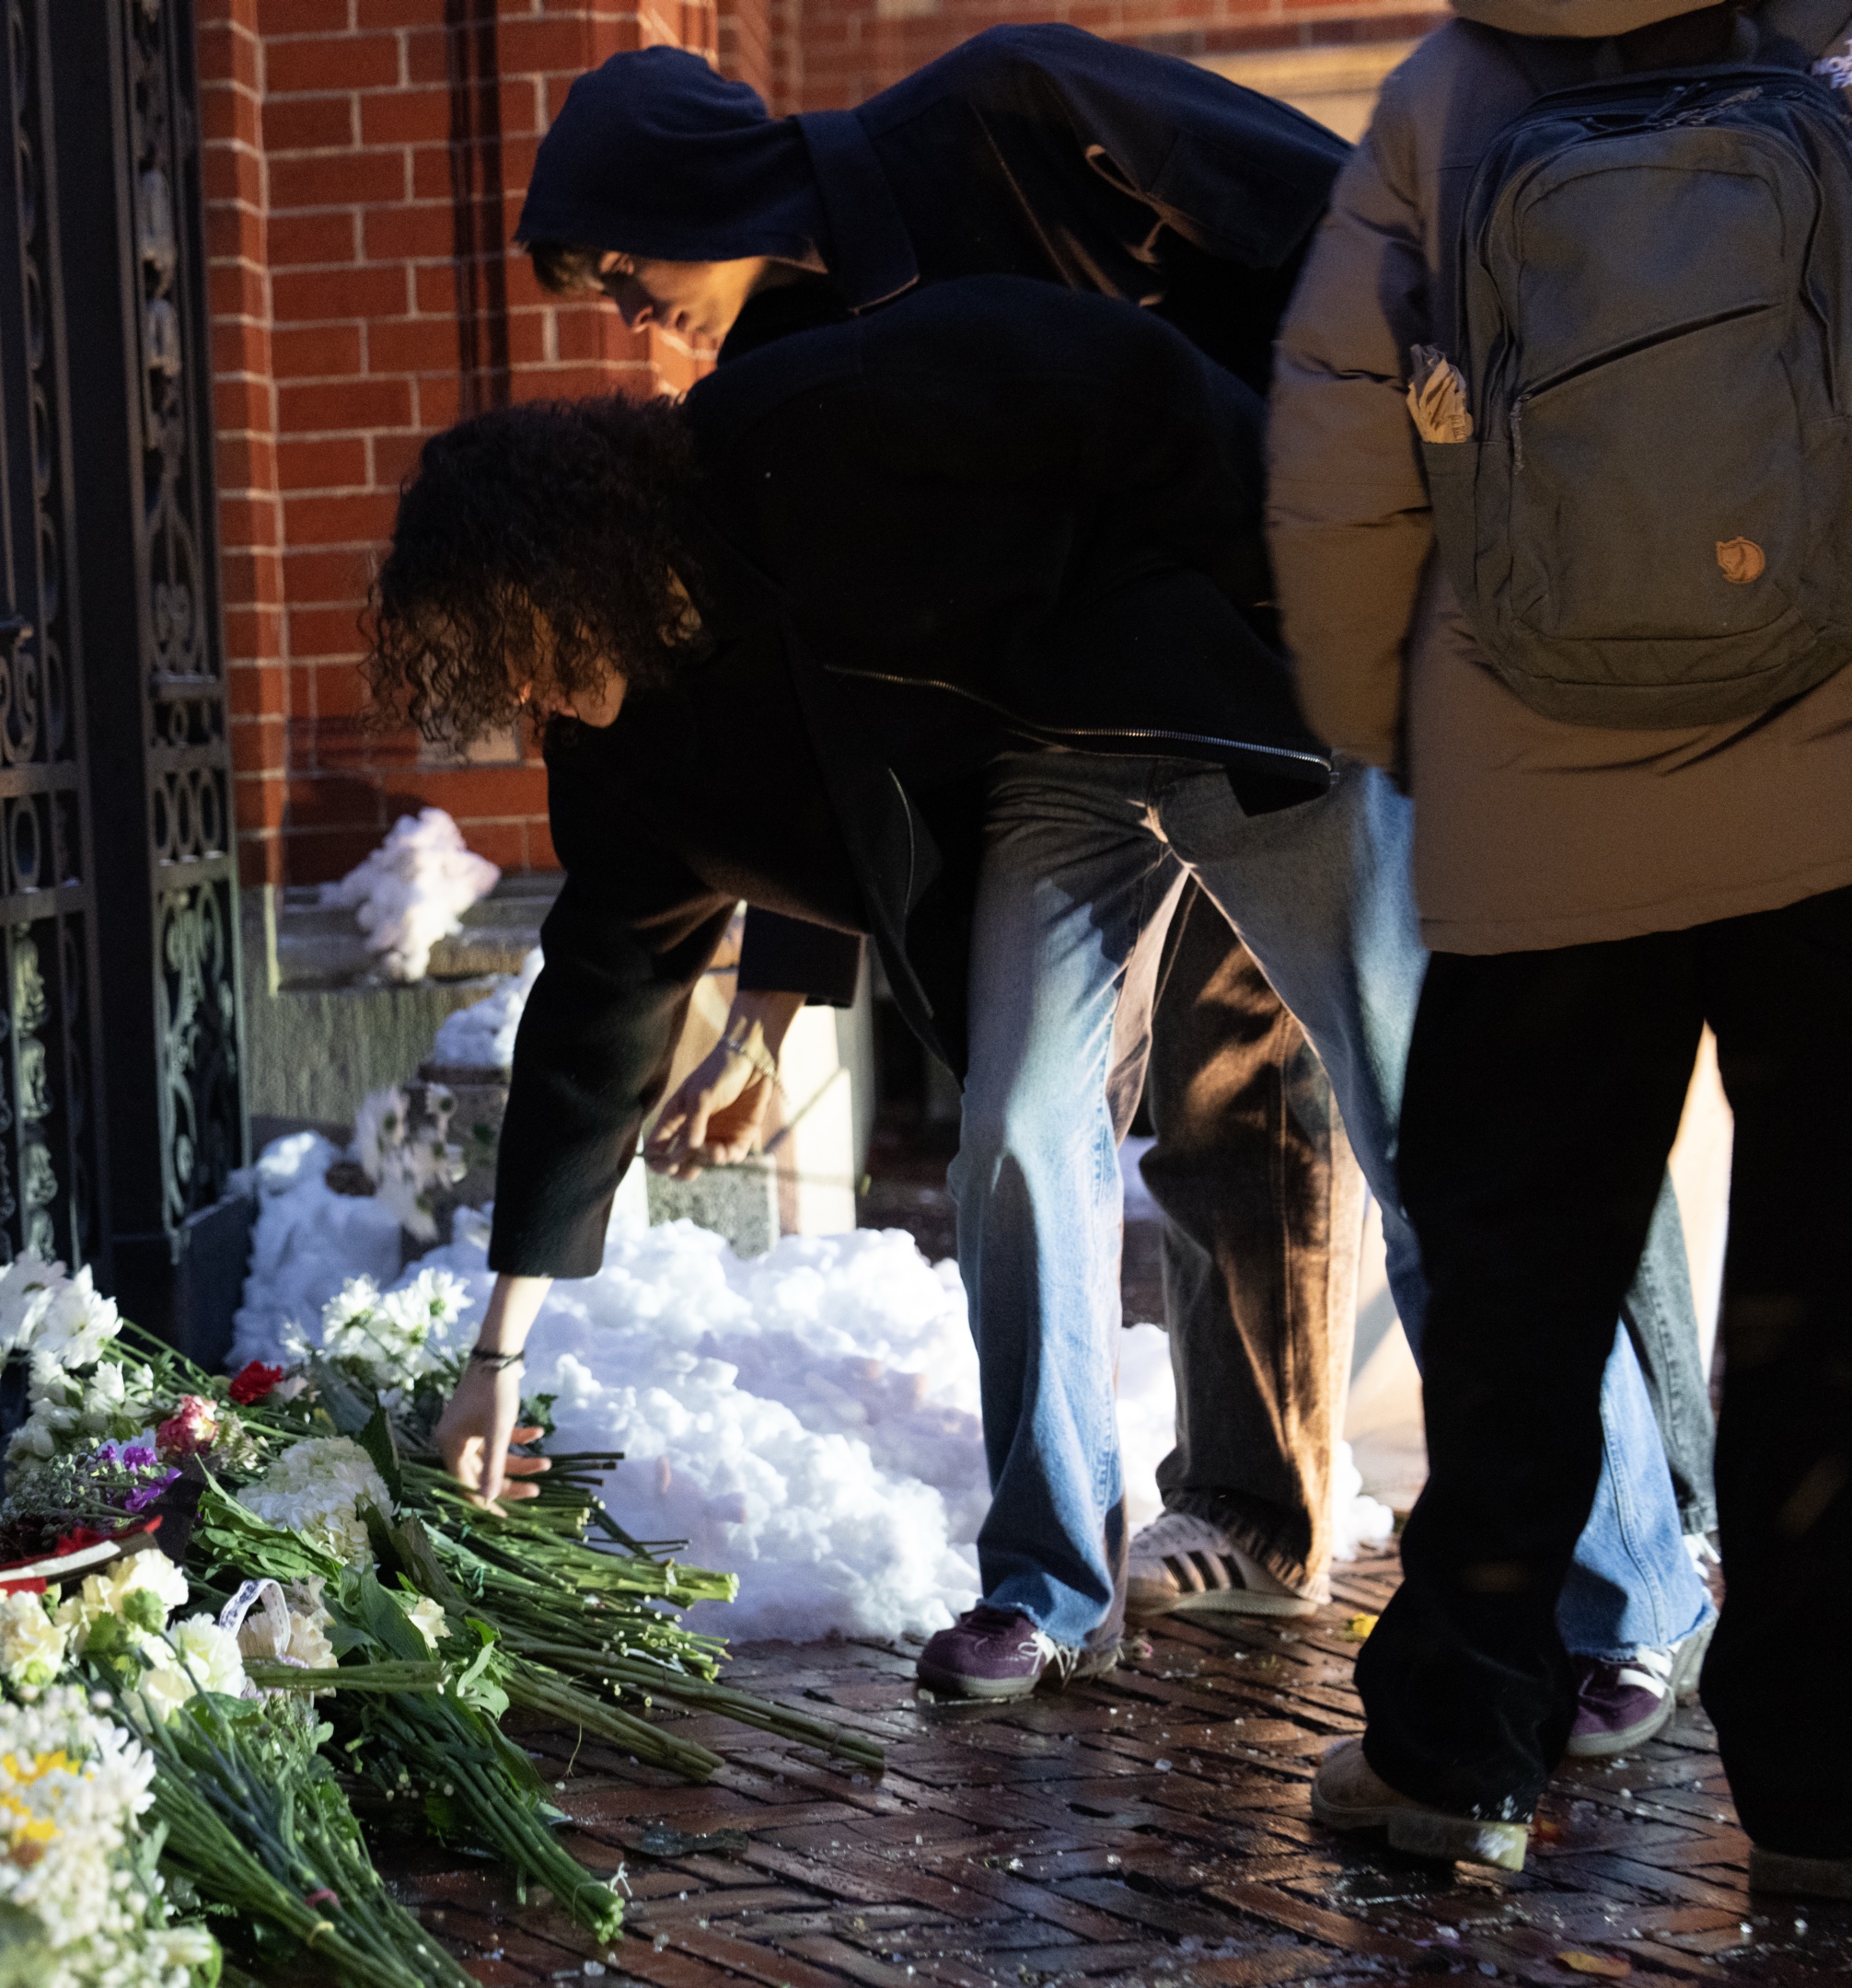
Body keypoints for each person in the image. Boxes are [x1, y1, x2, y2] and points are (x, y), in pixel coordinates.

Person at [474, 38, 1714, 1733]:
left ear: (700, 187)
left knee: (1435, 1116)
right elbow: (800, 708)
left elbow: (1313, 227)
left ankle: (1631, 1585)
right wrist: (772, 982)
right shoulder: (768, 381)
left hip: (1275, 664)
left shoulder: (1000, 114)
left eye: (624, 266)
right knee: (1019, 1122)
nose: (626, 314)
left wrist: (1374, 542)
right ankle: (1048, 1580)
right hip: (1058, 757)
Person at [1269, 0, 1852, 1888]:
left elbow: (1340, 450)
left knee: (1517, 1321)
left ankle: (1455, 1759)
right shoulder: (1827, 63)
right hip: (1830, 798)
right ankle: (1833, 1794)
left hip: (1532, 794)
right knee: (1825, 1315)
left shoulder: (1444, 98)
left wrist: (1392, 727)